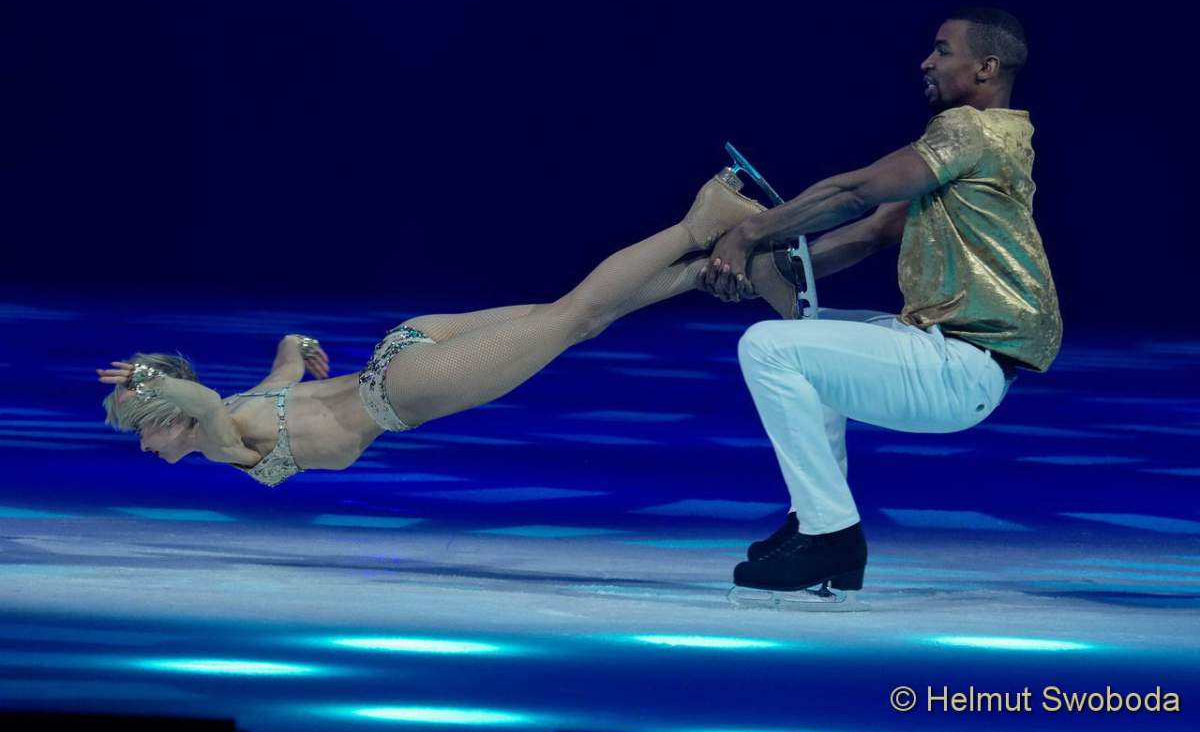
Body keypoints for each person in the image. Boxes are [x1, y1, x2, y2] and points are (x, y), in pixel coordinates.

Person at [98, 174, 800, 487]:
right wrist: (296, 346)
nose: (145, 447)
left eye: (142, 432)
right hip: (405, 348)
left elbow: (200, 401)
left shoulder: (219, 438)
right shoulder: (251, 403)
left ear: (170, 419)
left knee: (575, 315)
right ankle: (721, 266)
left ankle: (702, 219)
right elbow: (284, 365)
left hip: (404, 390)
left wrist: (151, 380)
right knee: (577, 317)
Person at [701, 7, 1062, 607]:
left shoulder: (969, 131)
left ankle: (831, 535)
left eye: (942, 50)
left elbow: (854, 192)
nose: (926, 62)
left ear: (986, 67)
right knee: (804, 333)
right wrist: (765, 272)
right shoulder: (996, 142)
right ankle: (814, 523)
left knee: (767, 348)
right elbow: (872, 231)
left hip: (959, 367)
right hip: (957, 361)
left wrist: (749, 232)